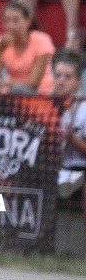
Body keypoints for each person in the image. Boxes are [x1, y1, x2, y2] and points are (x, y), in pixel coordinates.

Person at [0, 1, 55, 95]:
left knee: (19, 91)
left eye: (16, 21)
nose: (11, 26)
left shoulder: (42, 41)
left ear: (28, 21)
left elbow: (34, 83)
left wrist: (8, 83)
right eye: (7, 21)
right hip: (10, 93)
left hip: (40, 93)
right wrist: (0, 49)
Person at [55, 57, 86, 222]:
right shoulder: (47, 105)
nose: (61, 81)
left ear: (77, 82)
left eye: (67, 77)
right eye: (58, 75)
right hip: (53, 168)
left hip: (80, 167)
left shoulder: (83, 108)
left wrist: (72, 139)